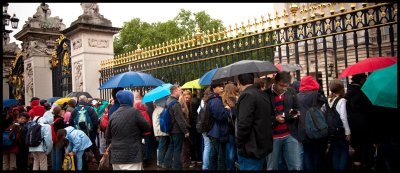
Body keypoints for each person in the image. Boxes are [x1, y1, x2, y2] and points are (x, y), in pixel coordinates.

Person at [265, 71, 302, 170]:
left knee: (296, 166)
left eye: (286, 86)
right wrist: (275, 119)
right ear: (275, 82)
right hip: (272, 136)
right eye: (282, 85)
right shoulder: (265, 94)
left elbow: (297, 108)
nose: (284, 88)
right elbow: (262, 116)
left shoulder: (291, 91)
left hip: (290, 134)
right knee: (272, 167)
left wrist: (295, 113)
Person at [105, 90, 151, 170]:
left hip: (116, 157)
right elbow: (147, 127)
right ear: (130, 100)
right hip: (132, 155)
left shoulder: (113, 115)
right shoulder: (135, 112)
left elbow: (107, 135)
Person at [236, 73, 273, 170]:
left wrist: (239, 143)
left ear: (238, 82)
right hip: (261, 146)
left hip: (251, 149)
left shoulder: (247, 95)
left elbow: (244, 124)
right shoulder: (262, 94)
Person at [296, 76, 328, 171]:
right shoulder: (315, 94)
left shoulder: (297, 96)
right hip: (315, 127)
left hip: (302, 128)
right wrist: (319, 89)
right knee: (317, 153)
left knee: (307, 152)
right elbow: (325, 102)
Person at [345, 73, 375, 171]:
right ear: (362, 80)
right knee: (366, 147)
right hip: (364, 124)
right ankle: (367, 165)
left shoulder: (348, 92)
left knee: (357, 148)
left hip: (352, 124)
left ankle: (357, 165)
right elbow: (370, 108)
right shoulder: (362, 91)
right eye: (365, 79)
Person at [324, 79, 351, 171]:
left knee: (335, 151)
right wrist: (347, 132)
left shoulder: (328, 100)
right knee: (344, 151)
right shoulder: (342, 100)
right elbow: (343, 117)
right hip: (340, 130)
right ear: (341, 88)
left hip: (331, 130)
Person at [163, 85, 189, 170]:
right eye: (179, 90)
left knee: (171, 146)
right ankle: (177, 167)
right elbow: (180, 120)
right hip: (177, 130)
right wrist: (185, 131)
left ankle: (166, 164)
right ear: (174, 91)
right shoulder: (176, 104)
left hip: (170, 129)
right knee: (178, 149)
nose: (181, 92)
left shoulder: (168, 101)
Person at [69, 95, 101, 165]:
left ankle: (83, 166)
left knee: (81, 150)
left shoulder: (74, 110)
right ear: (86, 101)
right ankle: (101, 164)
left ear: (79, 101)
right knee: (94, 149)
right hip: (90, 134)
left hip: (79, 134)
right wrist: (94, 132)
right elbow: (96, 122)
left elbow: (70, 122)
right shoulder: (90, 109)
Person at [207, 82, 230, 170]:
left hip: (214, 131)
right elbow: (220, 116)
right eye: (219, 86)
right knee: (220, 156)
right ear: (214, 88)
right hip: (217, 132)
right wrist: (227, 109)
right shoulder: (215, 100)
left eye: (222, 86)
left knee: (213, 154)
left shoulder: (213, 99)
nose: (222, 88)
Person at [221, 83, 239, 170]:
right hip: (234, 129)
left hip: (225, 129)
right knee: (235, 150)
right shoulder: (235, 100)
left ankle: (230, 167)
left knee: (229, 150)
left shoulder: (222, 100)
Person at [197, 87, 212, 170]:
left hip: (202, 127)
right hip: (207, 127)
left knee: (207, 146)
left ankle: (205, 165)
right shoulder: (208, 102)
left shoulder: (202, 101)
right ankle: (206, 166)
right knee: (208, 146)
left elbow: (198, 112)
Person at [152, 97, 170, 167]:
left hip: (158, 131)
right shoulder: (162, 110)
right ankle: (160, 162)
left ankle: (160, 161)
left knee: (161, 146)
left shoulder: (156, 110)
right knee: (162, 147)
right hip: (162, 131)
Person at [51, 106, 65, 170]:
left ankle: (54, 168)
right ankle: (58, 168)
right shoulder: (60, 120)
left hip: (53, 138)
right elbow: (63, 131)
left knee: (54, 155)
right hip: (59, 139)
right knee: (58, 155)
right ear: (59, 112)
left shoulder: (53, 119)